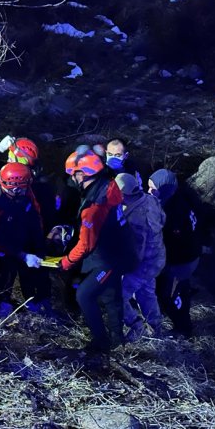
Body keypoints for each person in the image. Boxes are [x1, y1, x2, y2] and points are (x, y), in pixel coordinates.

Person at [56, 148, 138, 353]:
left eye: (73, 174)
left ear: (82, 174)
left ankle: (101, 341)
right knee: (111, 295)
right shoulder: (108, 185)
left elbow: (86, 244)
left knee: (84, 295)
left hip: (110, 256)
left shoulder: (93, 206)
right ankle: (118, 341)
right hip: (120, 248)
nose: (71, 178)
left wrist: (66, 261)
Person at [0, 162, 51, 319]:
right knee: (5, 267)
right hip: (1, 237)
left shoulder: (23, 188)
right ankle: (0, 302)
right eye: (17, 189)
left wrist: (39, 247)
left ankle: (34, 299)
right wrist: (22, 255)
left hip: (19, 225)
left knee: (33, 267)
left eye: (23, 188)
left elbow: (35, 217)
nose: (21, 191)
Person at [0, 135, 80, 234]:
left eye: (10, 158)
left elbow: (45, 220)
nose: (7, 160)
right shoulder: (6, 171)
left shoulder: (41, 188)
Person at [150, 169, 202, 338]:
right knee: (169, 290)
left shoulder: (174, 214)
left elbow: (173, 243)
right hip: (184, 256)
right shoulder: (176, 199)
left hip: (181, 262)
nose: (149, 192)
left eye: (153, 189)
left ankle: (183, 329)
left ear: (164, 190)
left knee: (172, 295)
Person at [114, 173, 167, 342]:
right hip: (157, 257)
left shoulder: (136, 217)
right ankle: (155, 327)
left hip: (143, 263)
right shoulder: (150, 199)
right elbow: (163, 219)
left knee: (118, 295)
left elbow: (137, 251)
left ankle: (136, 327)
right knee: (146, 292)